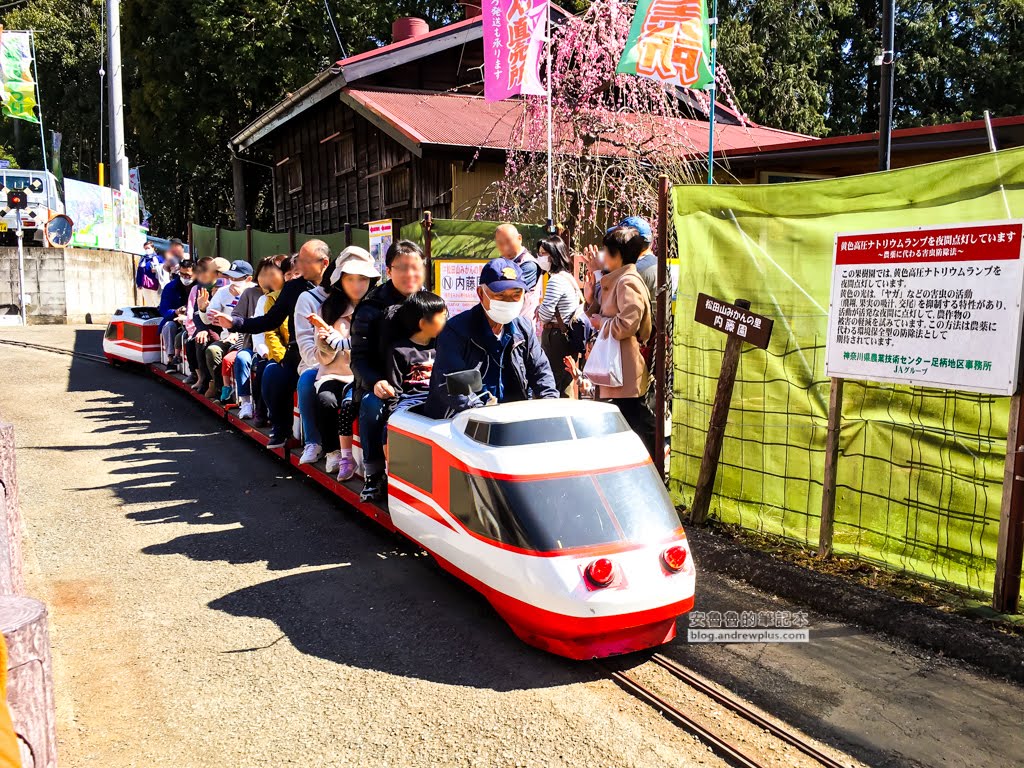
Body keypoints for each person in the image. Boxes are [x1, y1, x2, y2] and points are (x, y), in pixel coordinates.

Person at [210, 240, 332, 449]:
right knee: (274, 375)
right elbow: (270, 320)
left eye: (305, 261)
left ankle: (327, 445)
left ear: (325, 263)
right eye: (299, 261)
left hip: (334, 351)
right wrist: (236, 323)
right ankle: (282, 429)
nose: (300, 266)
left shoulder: (337, 286)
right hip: (298, 351)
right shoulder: (293, 288)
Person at [426, 258, 559, 420]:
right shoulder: (456, 330)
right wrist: (485, 417)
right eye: (500, 295)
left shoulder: (524, 329)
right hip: (463, 422)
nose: (508, 302)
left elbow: (541, 372)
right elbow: (455, 385)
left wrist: (551, 407)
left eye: (516, 295)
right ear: (481, 294)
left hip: (514, 421)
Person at [350, 240, 428, 501]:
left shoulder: (431, 303)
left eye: (416, 268)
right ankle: (373, 474)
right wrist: (374, 382)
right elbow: (358, 359)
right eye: (403, 268)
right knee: (373, 405)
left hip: (424, 381)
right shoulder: (371, 308)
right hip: (382, 382)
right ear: (389, 270)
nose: (410, 275)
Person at [588, 226, 656, 459]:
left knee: (633, 421)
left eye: (606, 251)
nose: (602, 255)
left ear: (617, 254)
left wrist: (602, 325)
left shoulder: (627, 281)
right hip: (620, 366)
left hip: (625, 367)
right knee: (629, 420)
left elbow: (629, 323)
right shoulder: (622, 278)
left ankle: (649, 467)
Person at [311, 247, 380, 480]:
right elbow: (322, 358)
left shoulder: (378, 308)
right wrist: (325, 344)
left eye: (363, 278)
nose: (357, 284)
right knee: (326, 400)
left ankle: (368, 465)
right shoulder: (327, 309)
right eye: (350, 278)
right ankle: (333, 451)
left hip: (366, 376)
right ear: (340, 279)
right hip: (334, 375)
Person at [235, 255, 288, 421]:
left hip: (291, 350)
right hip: (265, 348)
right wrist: (264, 350)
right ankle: (257, 407)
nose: (268, 279)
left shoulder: (297, 295)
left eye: (272, 274)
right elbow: (260, 328)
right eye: (264, 274)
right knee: (263, 369)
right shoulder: (263, 298)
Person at [198, 260, 256, 401]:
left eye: (237, 279)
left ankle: (243, 397)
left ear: (248, 279)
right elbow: (208, 319)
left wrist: (242, 295)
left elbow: (259, 318)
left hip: (251, 339)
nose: (233, 281)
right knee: (213, 351)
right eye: (231, 277)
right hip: (227, 337)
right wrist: (203, 308)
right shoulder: (223, 292)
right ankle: (221, 389)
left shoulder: (256, 291)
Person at [535, 235, 585, 396]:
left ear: (554, 255)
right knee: (565, 383)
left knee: (550, 382)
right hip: (567, 336)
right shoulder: (568, 277)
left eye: (543, 254)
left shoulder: (555, 280)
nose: (539, 257)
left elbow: (545, 314)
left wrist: (539, 308)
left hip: (556, 337)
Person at [386, 291, 447, 414]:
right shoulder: (400, 351)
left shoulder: (443, 346)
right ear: (423, 323)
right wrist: (392, 415)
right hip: (410, 401)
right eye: (443, 317)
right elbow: (395, 388)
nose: (446, 320)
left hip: (439, 399)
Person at [181, 257, 219, 389]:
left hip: (220, 326)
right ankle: (201, 377)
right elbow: (194, 312)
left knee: (211, 339)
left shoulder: (223, 287)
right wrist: (201, 328)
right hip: (202, 324)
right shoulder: (197, 289)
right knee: (195, 340)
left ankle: (214, 382)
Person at [494, 224, 541, 322]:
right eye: (500, 243)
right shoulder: (500, 262)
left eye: (508, 241)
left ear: (519, 238)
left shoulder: (528, 264)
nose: (504, 246)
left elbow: (511, 293)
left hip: (520, 326)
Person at [158, 258, 194, 369]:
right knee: (169, 326)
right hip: (175, 320)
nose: (185, 278)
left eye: (188, 275)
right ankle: (171, 360)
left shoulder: (200, 287)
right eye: (182, 274)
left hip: (194, 321)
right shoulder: (170, 287)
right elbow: (163, 309)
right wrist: (176, 312)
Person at [135, 242, 164, 306]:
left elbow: (165, 269)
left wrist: (157, 269)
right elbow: (139, 272)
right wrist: (139, 283)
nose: (147, 250)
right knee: (148, 302)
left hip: (156, 284)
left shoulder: (158, 258)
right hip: (145, 285)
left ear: (153, 248)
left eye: (148, 248)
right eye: (145, 248)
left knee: (157, 301)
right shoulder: (143, 259)